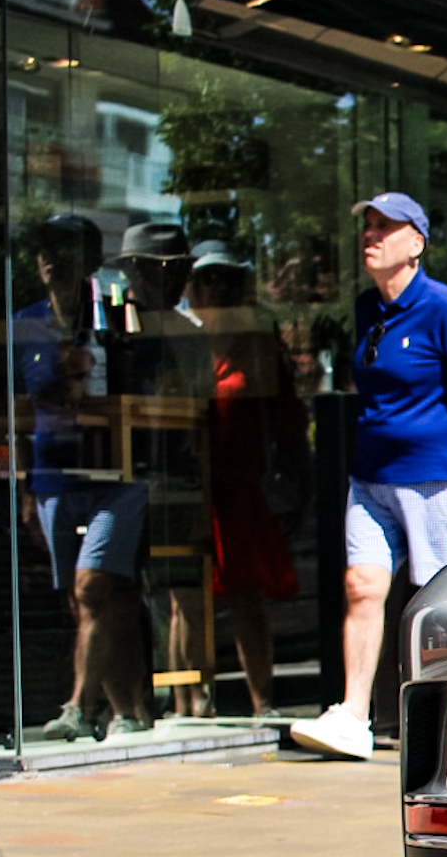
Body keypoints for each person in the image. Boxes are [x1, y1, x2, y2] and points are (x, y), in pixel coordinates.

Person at [287, 194, 447, 762]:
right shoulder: (366, 308)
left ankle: (446, 724)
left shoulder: (446, 308)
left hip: (432, 480)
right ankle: (354, 715)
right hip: (371, 478)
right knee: (362, 586)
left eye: (385, 227)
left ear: (417, 244)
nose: (371, 236)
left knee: (432, 605)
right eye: (368, 227)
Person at [17, 214, 155, 743]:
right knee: (96, 600)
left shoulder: (116, 319)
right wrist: (26, 487)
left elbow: (142, 391)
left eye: (66, 249)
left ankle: (77, 706)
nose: (51, 258)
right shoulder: (23, 325)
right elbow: (16, 412)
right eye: (45, 248)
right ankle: (130, 708)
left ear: (90, 262)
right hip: (53, 476)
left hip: (114, 474)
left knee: (92, 586)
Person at [176, 238, 303, 718]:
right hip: (191, 489)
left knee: (247, 599)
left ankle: (261, 702)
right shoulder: (182, 341)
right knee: (186, 601)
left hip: (240, 489)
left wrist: (297, 475)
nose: (216, 287)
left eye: (226, 277)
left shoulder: (257, 343)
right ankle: (190, 704)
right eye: (206, 277)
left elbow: (287, 415)